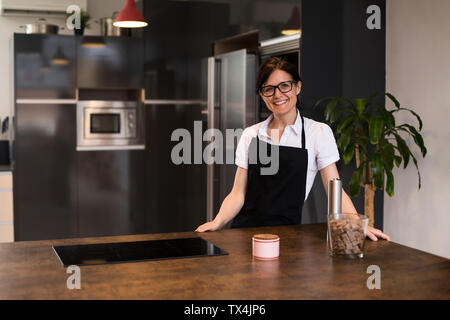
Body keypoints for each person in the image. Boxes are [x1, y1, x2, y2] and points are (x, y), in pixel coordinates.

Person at [195, 57, 389, 241]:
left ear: (298, 87)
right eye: (269, 89)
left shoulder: (318, 133)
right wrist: (217, 222)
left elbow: (334, 189)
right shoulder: (251, 135)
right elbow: (238, 192)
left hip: (287, 237)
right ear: (262, 95)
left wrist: (357, 224)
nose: (278, 95)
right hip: (244, 233)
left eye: (284, 86)